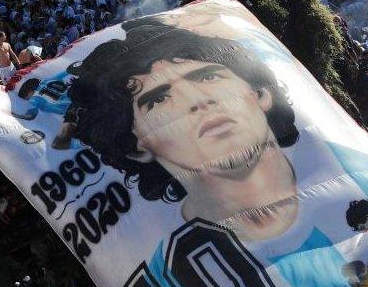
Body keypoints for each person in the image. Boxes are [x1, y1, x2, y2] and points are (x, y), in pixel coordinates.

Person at [67, 15, 301, 241]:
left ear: (260, 94)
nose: (197, 101)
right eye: (157, 99)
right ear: (136, 147)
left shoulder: (336, 150)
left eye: (208, 77)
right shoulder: (152, 257)